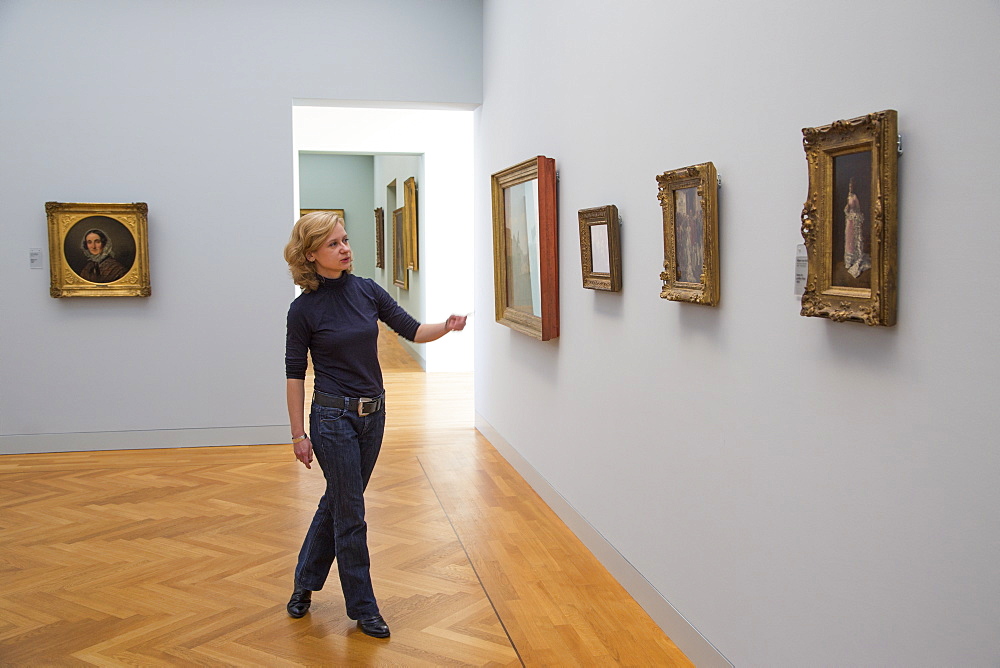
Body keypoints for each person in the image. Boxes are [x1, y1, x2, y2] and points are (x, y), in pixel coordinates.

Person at [282, 211, 466, 638]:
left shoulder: (366, 291)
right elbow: (294, 373)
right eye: (333, 244)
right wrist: (297, 433)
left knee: (339, 502)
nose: (345, 248)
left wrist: (448, 326)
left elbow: (412, 330)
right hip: (331, 418)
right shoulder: (303, 310)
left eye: (345, 240)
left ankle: (305, 583)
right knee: (352, 515)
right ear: (311, 254)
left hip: (374, 416)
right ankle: (363, 608)